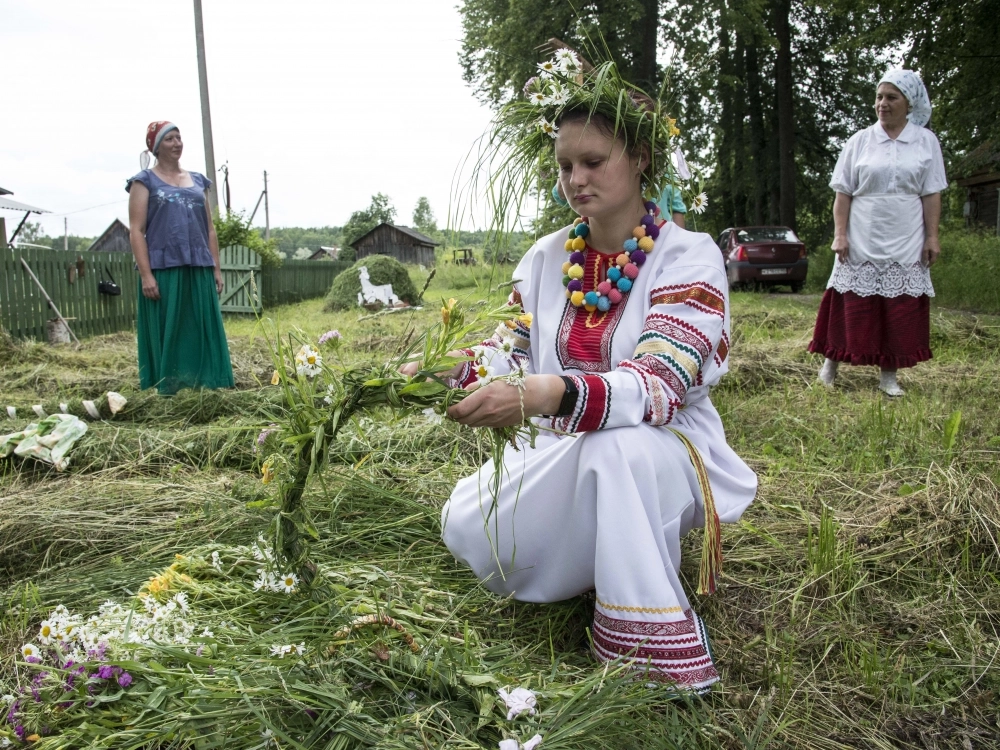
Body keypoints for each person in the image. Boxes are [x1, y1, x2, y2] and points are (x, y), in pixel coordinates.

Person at [407, 55, 757, 692]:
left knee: (617, 450)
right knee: (466, 525)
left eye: (594, 162)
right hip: (558, 447)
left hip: (664, 448)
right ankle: (604, 550)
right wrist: (440, 373)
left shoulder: (687, 255)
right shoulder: (548, 257)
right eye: (566, 165)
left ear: (641, 158)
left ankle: (645, 646)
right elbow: (507, 352)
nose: (576, 179)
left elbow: (659, 384)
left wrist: (548, 392)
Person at [808, 70, 947, 396]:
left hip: (907, 235)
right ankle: (830, 365)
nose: (882, 104)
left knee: (897, 306)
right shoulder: (860, 140)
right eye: (879, 97)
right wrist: (840, 234)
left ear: (908, 103)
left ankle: (888, 377)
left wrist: (932, 237)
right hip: (861, 234)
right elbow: (842, 194)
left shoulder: (926, 141)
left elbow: (932, 194)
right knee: (848, 300)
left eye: (891, 98)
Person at [126, 121, 234, 395]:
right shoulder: (144, 181)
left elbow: (209, 229)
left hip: (198, 266)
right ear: (156, 147)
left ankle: (207, 383)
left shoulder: (199, 181)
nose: (177, 143)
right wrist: (145, 274)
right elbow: (136, 231)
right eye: (169, 139)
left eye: (179, 137)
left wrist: (216, 269)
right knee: (170, 327)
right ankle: (169, 386)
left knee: (200, 326)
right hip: (164, 268)